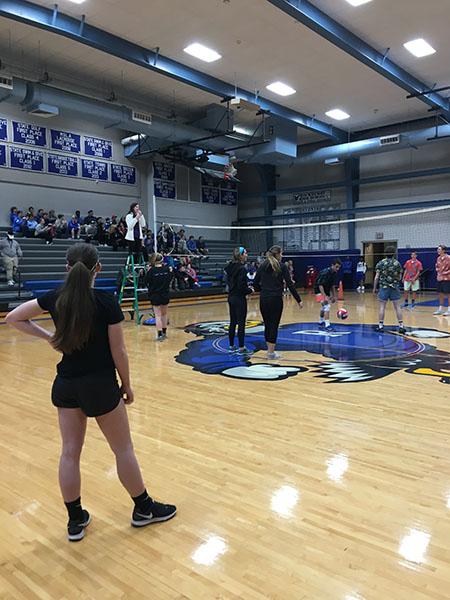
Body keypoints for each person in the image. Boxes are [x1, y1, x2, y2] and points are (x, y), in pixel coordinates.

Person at [5, 244, 176, 541]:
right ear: (98, 269)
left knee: (69, 453)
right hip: (100, 386)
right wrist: (127, 384)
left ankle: (75, 520)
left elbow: (13, 318)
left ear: (67, 267)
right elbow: (119, 351)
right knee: (123, 450)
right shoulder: (105, 301)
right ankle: (144, 509)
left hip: (66, 385)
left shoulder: (55, 298)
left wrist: (50, 338)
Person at [254, 245, 302, 360]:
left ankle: (269, 351)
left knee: (267, 324)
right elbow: (290, 284)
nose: (282, 256)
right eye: (281, 254)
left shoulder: (262, 266)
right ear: (277, 254)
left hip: (264, 299)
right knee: (274, 325)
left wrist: (263, 290)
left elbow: (255, 283)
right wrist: (298, 299)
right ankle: (271, 353)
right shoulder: (282, 266)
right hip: (275, 299)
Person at [225, 247, 254, 355]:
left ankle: (231, 345)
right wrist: (250, 290)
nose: (247, 255)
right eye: (245, 253)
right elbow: (241, 287)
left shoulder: (229, 267)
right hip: (239, 298)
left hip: (231, 297)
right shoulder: (242, 269)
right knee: (241, 323)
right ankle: (241, 348)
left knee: (233, 322)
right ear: (241, 255)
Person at [373, 246, 405, 333]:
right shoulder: (397, 263)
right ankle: (401, 326)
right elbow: (400, 276)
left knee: (382, 307)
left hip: (384, 287)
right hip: (394, 286)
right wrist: (396, 281)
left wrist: (374, 288)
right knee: (397, 307)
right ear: (394, 253)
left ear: (385, 253)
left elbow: (377, 277)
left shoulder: (381, 263)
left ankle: (380, 326)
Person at [146, 253, 173, 340]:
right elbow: (170, 278)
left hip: (155, 295)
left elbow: (146, 281)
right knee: (164, 314)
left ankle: (160, 335)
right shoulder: (167, 269)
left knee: (157, 315)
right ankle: (165, 333)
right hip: (165, 294)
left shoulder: (151, 271)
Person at [314, 259, 342, 332]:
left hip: (326, 290)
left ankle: (320, 321)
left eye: (339, 267)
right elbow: (320, 285)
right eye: (336, 267)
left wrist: (334, 296)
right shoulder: (325, 273)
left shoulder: (334, 274)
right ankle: (327, 325)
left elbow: (332, 286)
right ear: (332, 265)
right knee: (327, 306)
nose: (337, 269)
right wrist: (324, 296)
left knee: (324, 306)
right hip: (318, 290)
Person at [434, 244, 450, 316]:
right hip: (440, 278)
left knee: (448, 294)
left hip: (447, 278)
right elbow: (437, 267)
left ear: (443, 250)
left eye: (439, 249)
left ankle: (449, 309)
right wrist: (439, 273)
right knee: (440, 294)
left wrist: (444, 273)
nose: (438, 250)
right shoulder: (438, 258)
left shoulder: (448, 258)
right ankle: (440, 309)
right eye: (438, 249)